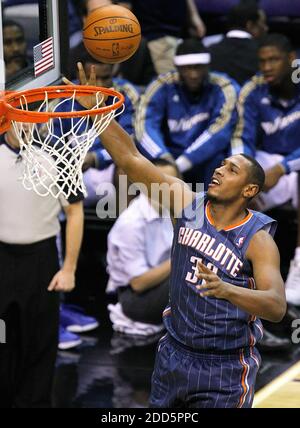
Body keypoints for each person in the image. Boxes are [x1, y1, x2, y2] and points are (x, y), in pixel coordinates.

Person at [72, 63, 287, 408]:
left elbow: (276, 306)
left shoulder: (258, 238)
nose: (219, 169)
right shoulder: (186, 202)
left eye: (231, 170)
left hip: (226, 367)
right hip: (173, 355)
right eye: (220, 164)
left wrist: (226, 289)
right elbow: (129, 159)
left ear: (249, 189)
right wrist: (96, 110)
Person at [0, 123, 84, 408]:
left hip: (41, 260)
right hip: (1, 257)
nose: (27, 126)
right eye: (19, 119)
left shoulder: (59, 154)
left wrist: (69, 268)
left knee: (40, 345)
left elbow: (74, 211)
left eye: (32, 120)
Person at [231, 33, 300, 307]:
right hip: (265, 162)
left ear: (291, 59)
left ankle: (297, 272)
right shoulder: (252, 90)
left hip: (292, 165)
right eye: (263, 61)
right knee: (235, 178)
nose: (267, 67)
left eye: (274, 60)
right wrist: (251, 173)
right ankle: (237, 275)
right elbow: (241, 138)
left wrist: (283, 167)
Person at [136, 38, 239, 188]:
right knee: (135, 162)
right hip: (168, 155)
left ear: (207, 66)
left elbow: (220, 132)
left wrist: (181, 164)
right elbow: (144, 127)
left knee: (218, 160)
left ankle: (207, 209)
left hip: (204, 159)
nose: (193, 75)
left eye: (198, 67)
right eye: (187, 68)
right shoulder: (161, 86)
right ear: (177, 67)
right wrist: (164, 160)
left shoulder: (224, 87)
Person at [106, 160, 176, 327]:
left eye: (171, 182)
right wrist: (181, 258)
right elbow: (138, 283)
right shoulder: (131, 223)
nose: (167, 187)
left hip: (159, 284)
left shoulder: (168, 210)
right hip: (135, 300)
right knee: (192, 274)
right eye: (159, 181)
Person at [116, 0, 206, 75]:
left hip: (180, 32)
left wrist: (194, 15)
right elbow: (124, 7)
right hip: (156, 35)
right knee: (172, 82)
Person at [209, 0, 268, 85]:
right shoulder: (263, 56)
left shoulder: (209, 51)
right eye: (263, 24)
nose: (266, 28)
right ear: (250, 25)